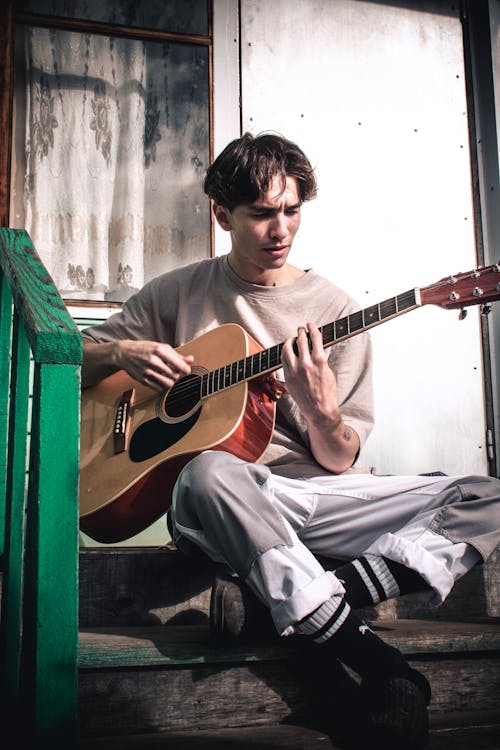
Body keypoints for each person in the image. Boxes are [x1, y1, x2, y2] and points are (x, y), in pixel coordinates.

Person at [81, 132, 500, 749]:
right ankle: (382, 668)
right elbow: (74, 356)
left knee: (486, 496)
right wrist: (123, 351)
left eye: (292, 210)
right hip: (224, 505)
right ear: (222, 215)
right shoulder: (178, 292)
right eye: (261, 214)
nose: (281, 230)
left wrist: (323, 410)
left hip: (315, 502)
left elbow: (339, 458)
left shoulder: (336, 309)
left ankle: (304, 600)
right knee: (209, 471)